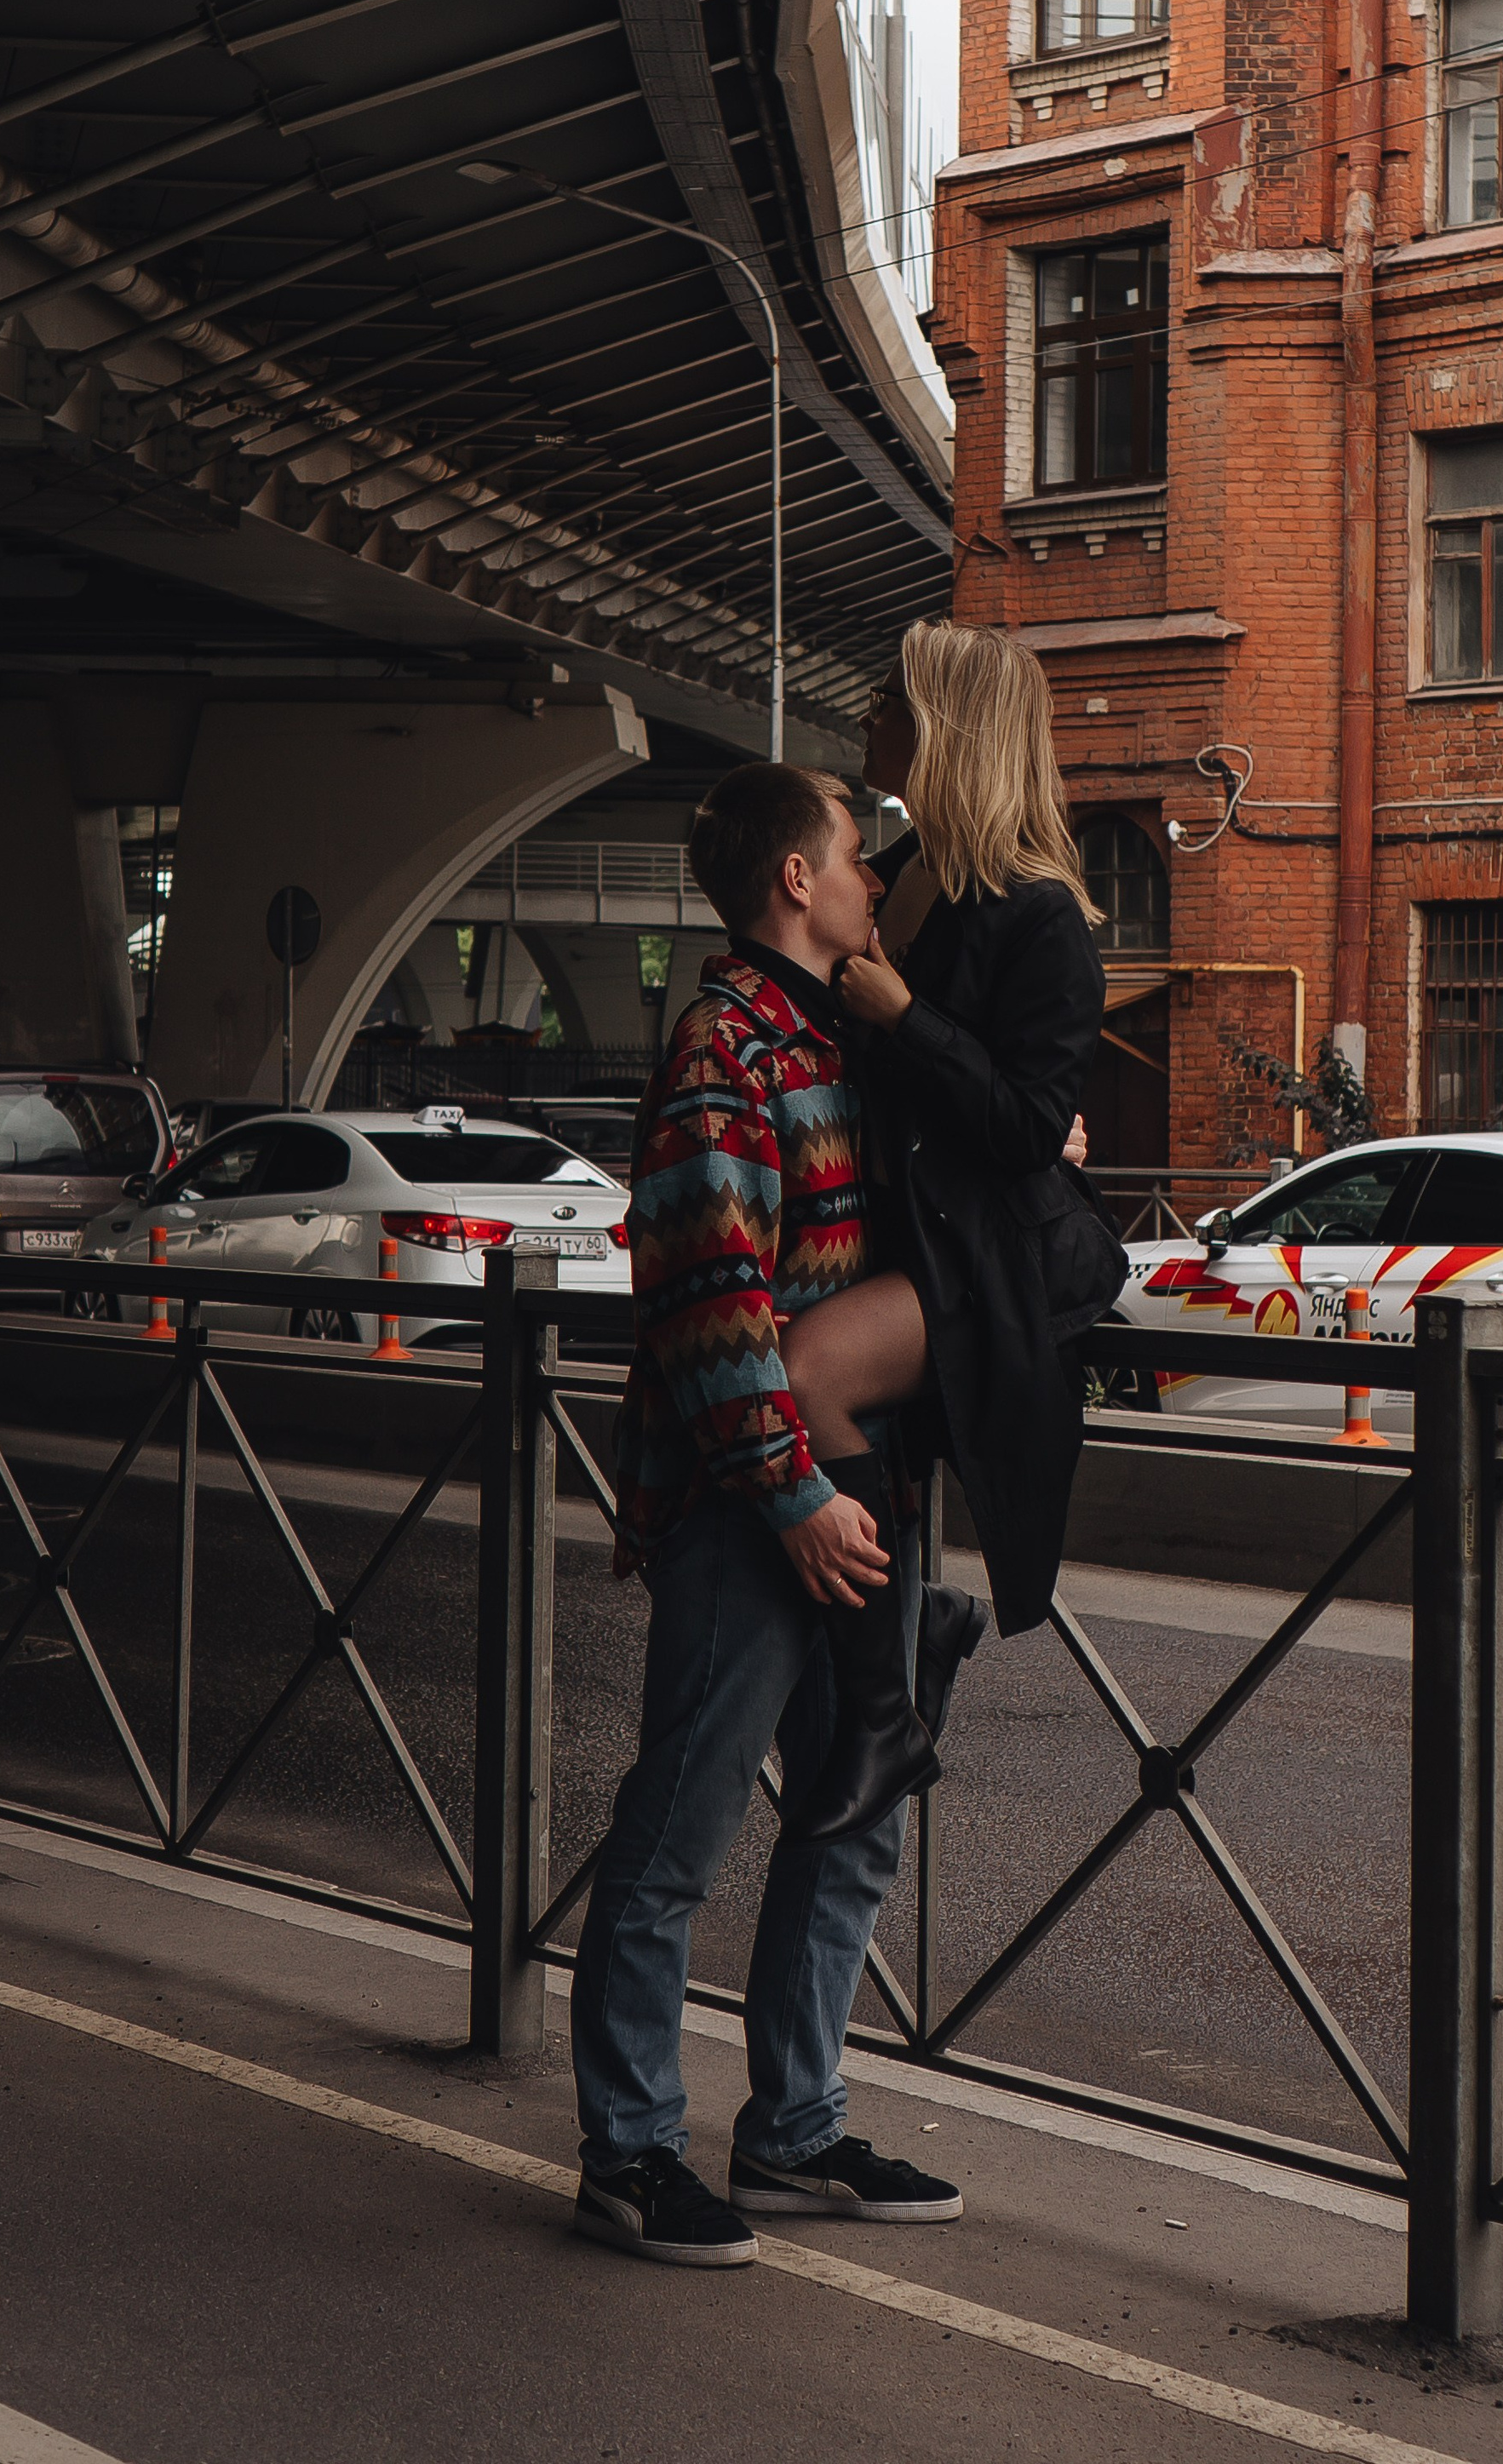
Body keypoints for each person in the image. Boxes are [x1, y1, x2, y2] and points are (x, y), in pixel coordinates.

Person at [569, 760, 962, 2268]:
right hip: (763, 1506)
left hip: (855, 1485)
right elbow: (705, 1299)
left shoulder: (832, 1033)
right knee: (681, 1827)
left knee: (850, 1815)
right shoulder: (722, 1044)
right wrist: (792, 1495)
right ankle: (629, 2149)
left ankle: (794, 2130)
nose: (876, 881)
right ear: (796, 880)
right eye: (859, 857)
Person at [775, 619, 1116, 1848]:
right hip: (906, 1233)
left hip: (996, 1260)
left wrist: (906, 1014)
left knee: (808, 1370)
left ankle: (888, 1702)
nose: (866, 709)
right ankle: (908, 1641)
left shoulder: (1044, 916)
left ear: (946, 728)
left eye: (890, 696)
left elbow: (1032, 1125)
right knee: (811, 1374)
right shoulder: (904, 868)